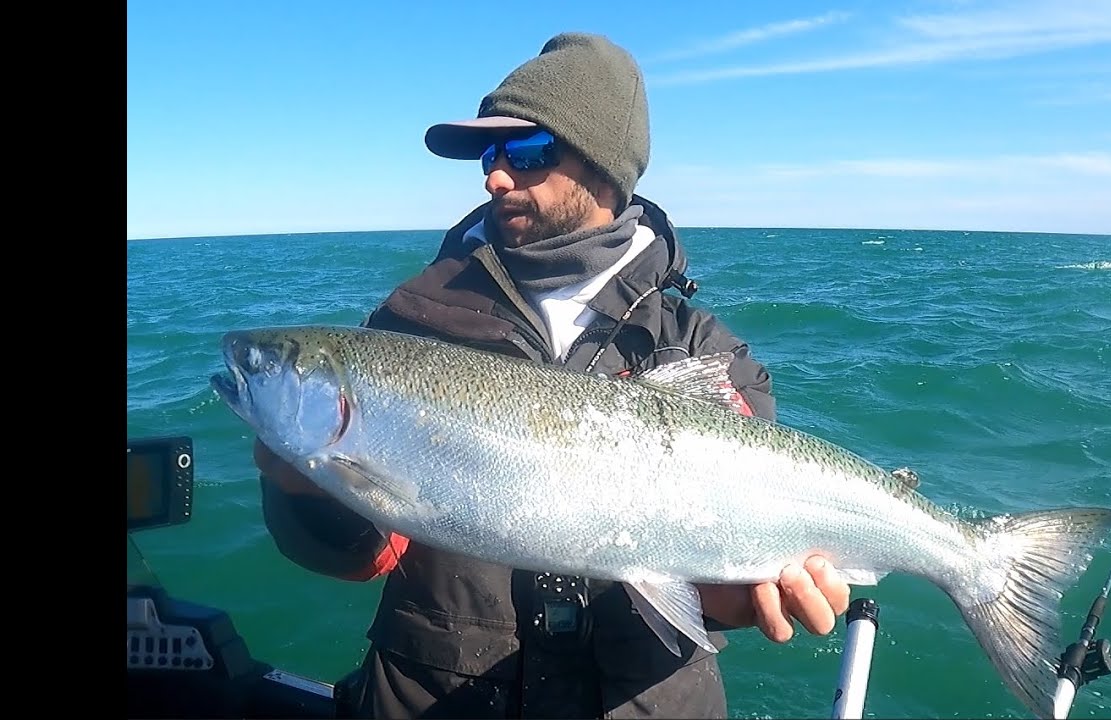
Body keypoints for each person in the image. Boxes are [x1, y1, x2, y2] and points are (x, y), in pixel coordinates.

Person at [254, 31, 851, 719]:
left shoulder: (703, 349)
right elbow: (364, 556)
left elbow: (712, 586)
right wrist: (308, 491)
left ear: (603, 165)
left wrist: (734, 595)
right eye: (489, 154)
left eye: (528, 151)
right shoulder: (410, 326)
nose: (495, 176)